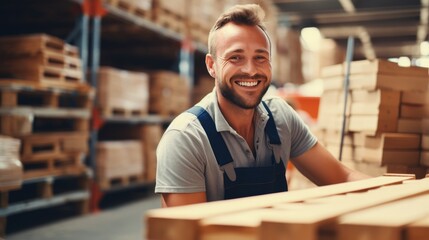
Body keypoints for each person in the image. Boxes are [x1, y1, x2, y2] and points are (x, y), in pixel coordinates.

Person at [155, 4, 370, 207]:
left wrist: (394, 193)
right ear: (212, 65)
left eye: (260, 58)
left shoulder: (281, 117)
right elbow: (186, 232)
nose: (250, 70)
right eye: (236, 57)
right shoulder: (186, 138)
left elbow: (342, 177)